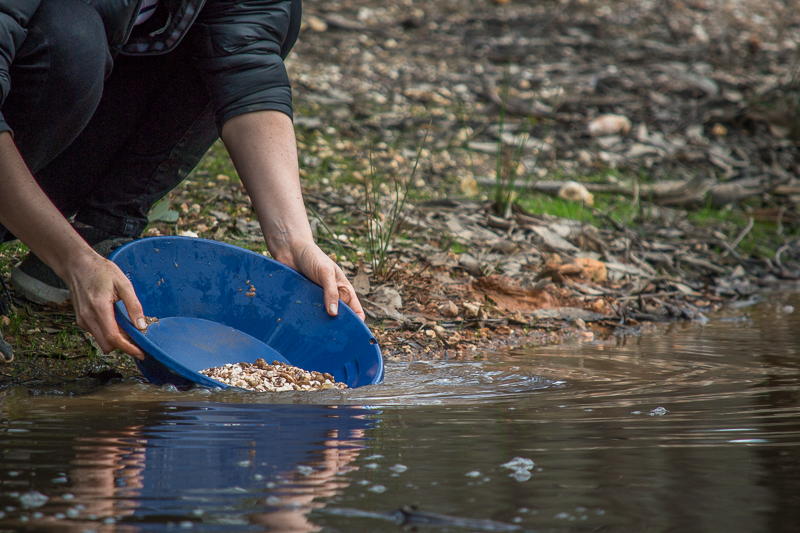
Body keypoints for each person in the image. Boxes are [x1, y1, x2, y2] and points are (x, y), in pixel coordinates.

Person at [0, 0, 364, 362]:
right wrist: (73, 259)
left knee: (261, 20)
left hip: (78, 121)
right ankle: (69, 255)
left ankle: (95, 235)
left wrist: (295, 241)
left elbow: (247, 62)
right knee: (70, 40)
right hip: (35, 87)